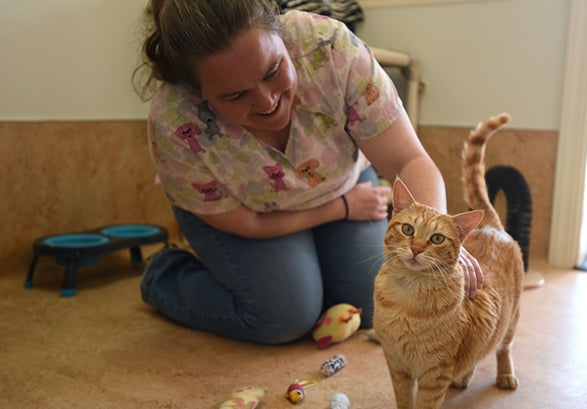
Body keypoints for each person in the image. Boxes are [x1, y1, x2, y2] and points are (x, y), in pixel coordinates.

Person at [134, 0, 483, 345]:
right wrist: (342, 209)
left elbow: (408, 159)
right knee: (283, 316)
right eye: (237, 95)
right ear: (199, 94)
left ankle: (310, 262)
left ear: (282, 36)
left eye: (273, 71)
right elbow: (250, 225)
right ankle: (164, 276)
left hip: (342, 184)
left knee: (370, 300)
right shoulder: (175, 121)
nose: (268, 102)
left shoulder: (330, 48)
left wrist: (438, 232)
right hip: (247, 212)